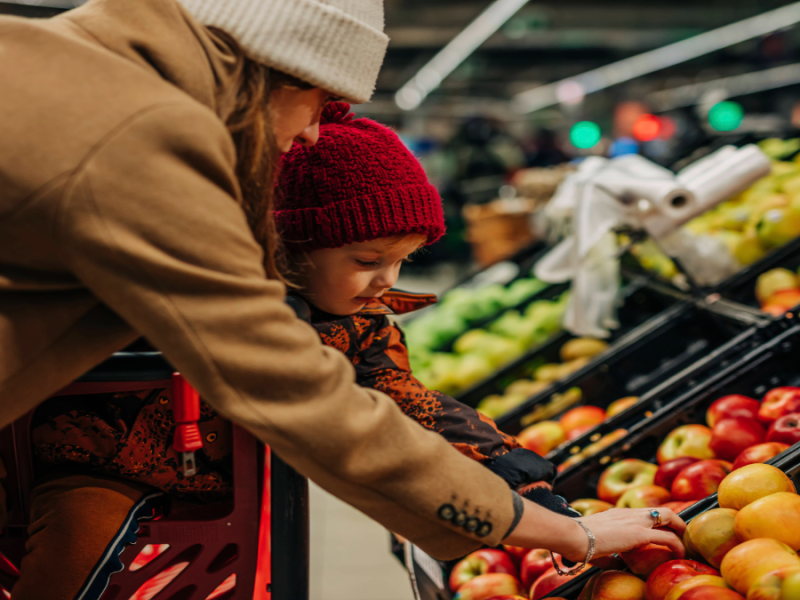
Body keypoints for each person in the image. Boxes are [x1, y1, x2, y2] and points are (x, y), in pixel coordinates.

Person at [0, 0, 686, 596]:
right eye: (317, 102)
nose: (309, 134)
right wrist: (552, 530)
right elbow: (289, 387)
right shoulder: (147, 134)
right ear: (271, 70)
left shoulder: (49, 58)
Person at [276, 102, 565, 505]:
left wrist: (505, 463)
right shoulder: (230, 317)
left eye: (401, 261)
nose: (388, 280)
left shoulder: (363, 326)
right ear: (290, 248)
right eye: (367, 261)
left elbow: (404, 397)